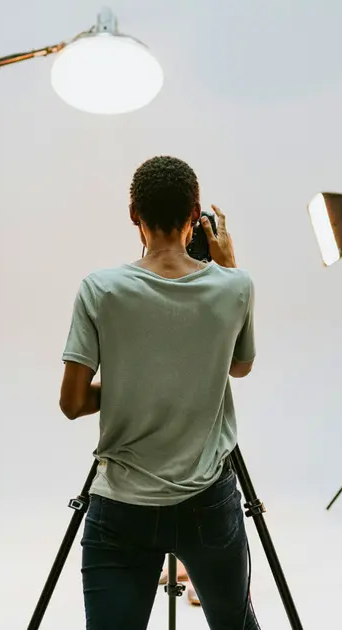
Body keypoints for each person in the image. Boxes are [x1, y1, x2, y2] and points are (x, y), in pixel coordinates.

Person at [59, 156, 258, 629]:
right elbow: (239, 366)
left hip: (121, 505)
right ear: (195, 216)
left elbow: (72, 403)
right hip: (207, 500)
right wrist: (228, 267)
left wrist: (131, 385)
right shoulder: (236, 286)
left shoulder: (99, 289)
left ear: (134, 214)